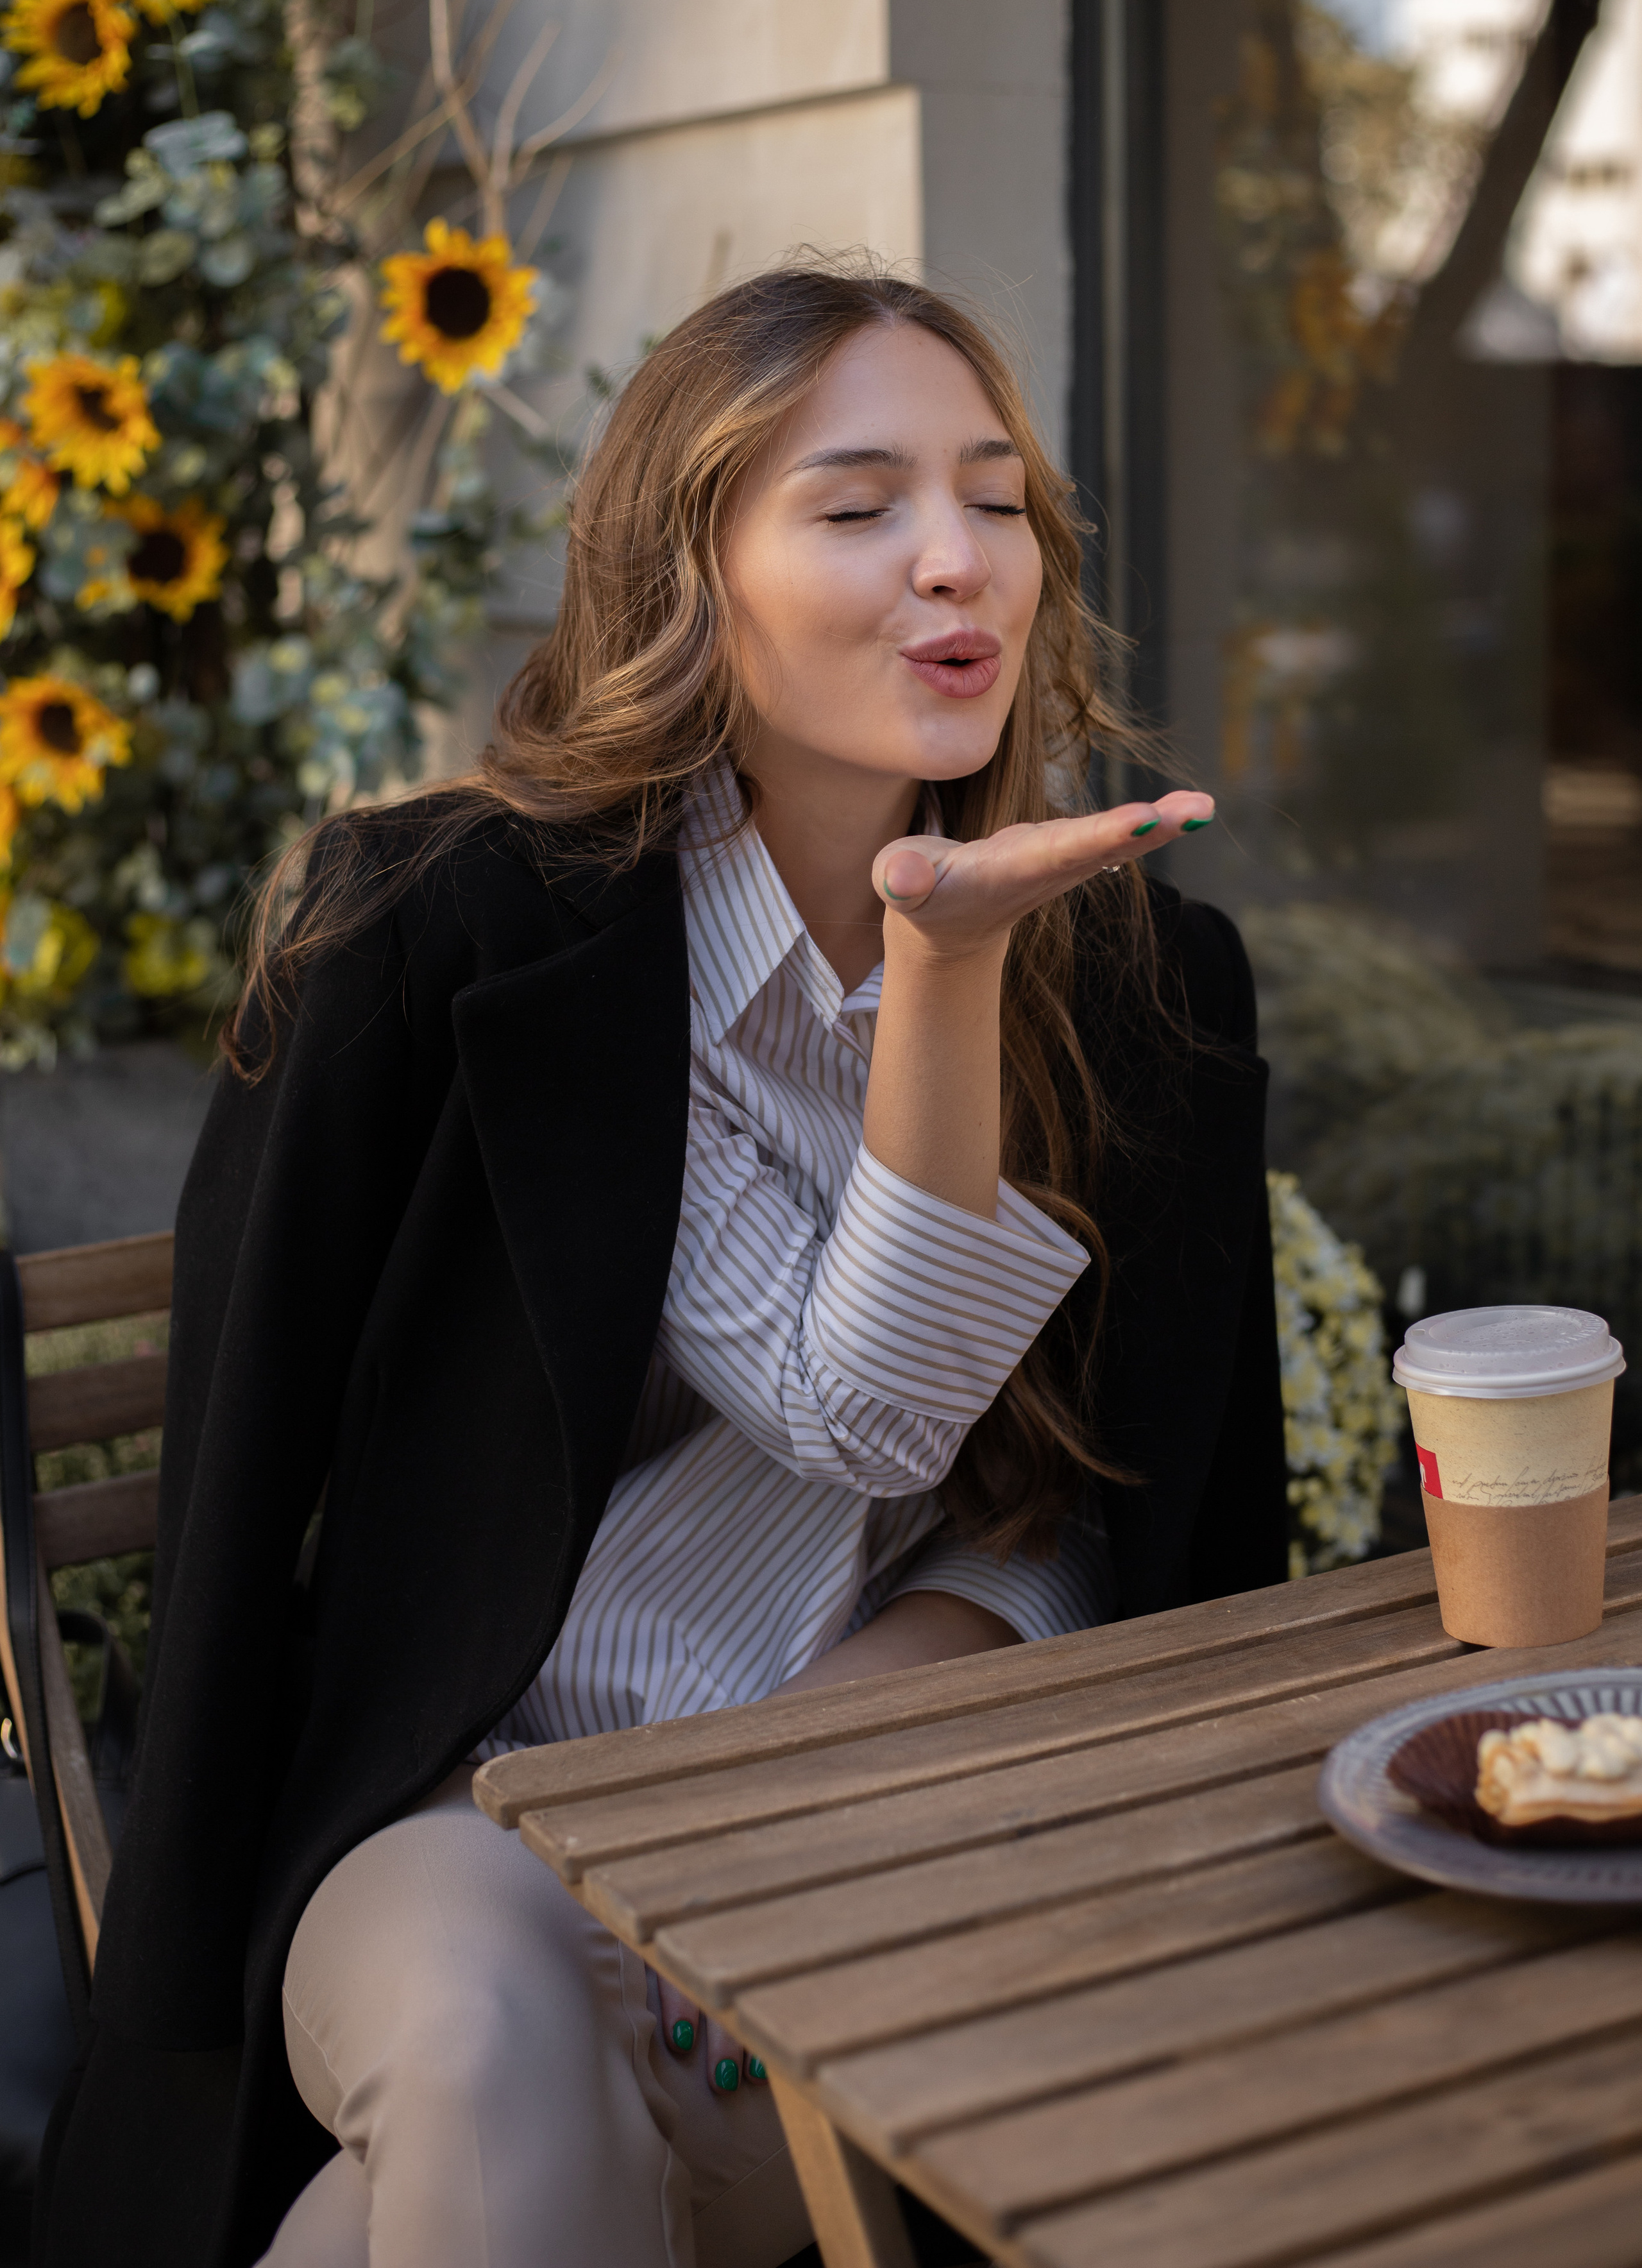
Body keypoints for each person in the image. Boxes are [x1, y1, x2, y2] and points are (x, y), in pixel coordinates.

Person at [36, 266, 1284, 2268]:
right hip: (476, 1819)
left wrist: (820, 1760)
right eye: (859, 504)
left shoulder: (1143, 989)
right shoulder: (454, 935)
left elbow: (1120, 1510)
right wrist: (164, 2035)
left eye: (995, 500)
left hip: (885, 1844)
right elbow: (246, 1466)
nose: (959, 562)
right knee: (498, 2041)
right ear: (686, 570)